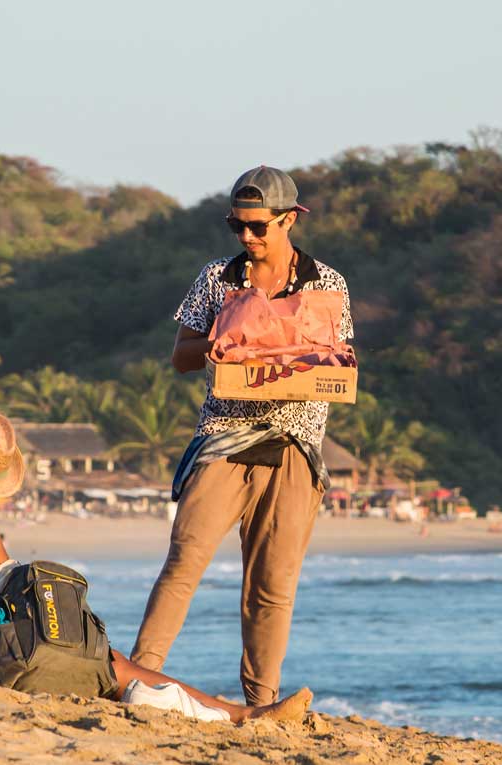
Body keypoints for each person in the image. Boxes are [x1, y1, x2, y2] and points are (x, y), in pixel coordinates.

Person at [0, 407, 310, 725]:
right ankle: (238, 716)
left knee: (98, 655)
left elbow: (3, 568)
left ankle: (240, 714)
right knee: (100, 671)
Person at [130, 166, 352, 707]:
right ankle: (136, 679)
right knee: (185, 561)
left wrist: (289, 354)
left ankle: (261, 704)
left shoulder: (328, 284)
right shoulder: (218, 278)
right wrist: (220, 343)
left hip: (296, 444)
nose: (247, 238)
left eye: (258, 227)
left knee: (272, 587)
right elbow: (180, 357)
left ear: (289, 220)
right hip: (224, 438)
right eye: (238, 226)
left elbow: (342, 362)